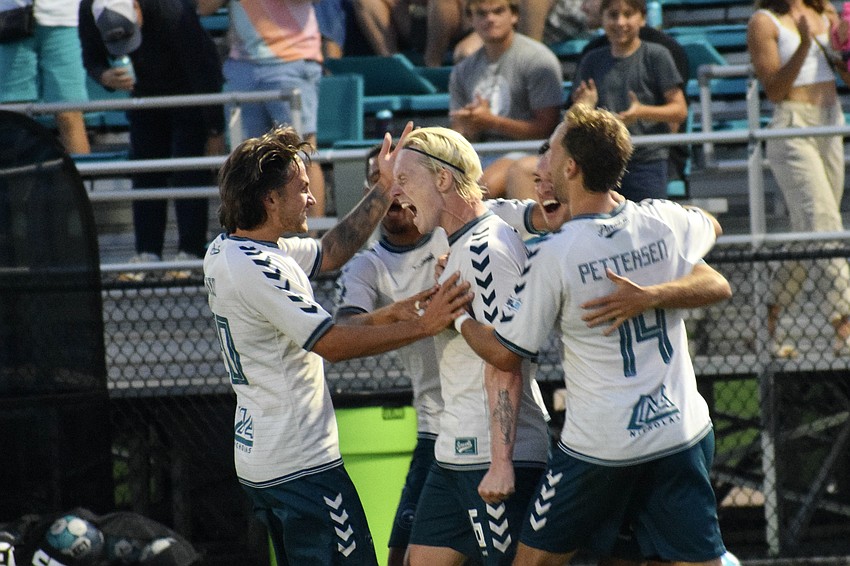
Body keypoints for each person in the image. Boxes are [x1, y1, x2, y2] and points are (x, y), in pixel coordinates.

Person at [456, 104, 730, 566]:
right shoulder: (660, 220)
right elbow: (712, 232)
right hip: (678, 430)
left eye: (552, 151)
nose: (542, 163)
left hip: (600, 449)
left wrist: (458, 316)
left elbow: (504, 355)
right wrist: (655, 291)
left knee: (534, 563)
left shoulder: (556, 255)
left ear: (570, 167)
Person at [204, 125, 472, 565]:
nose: (311, 199)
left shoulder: (231, 249)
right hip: (300, 465)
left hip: (266, 459)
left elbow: (329, 252)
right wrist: (427, 326)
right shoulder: (258, 267)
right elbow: (331, 343)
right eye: (302, 189)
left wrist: (385, 189)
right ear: (270, 200)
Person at [387, 126, 550, 565]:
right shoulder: (460, 243)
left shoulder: (487, 248)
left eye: (404, 181)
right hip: (453, 451)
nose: (395, 194)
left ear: (441, 180)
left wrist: (501, 462)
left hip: (491, 457)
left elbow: (504, 358)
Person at [78, 0, 226, 278]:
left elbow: (205, 69)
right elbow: (91, 57)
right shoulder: (89, 9)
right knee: (145, 170)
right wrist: (104, 76)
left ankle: (190, 250)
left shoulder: (169, 9)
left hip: (189, 92)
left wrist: (215, 129)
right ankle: (147, 251)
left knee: (187, 171)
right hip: (144, 97)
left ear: (136, 8)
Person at [747, 0, 850, 357]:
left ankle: (766, 325)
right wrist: (805, 43)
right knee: (825, 223)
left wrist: (844, 48)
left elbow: (846, 77)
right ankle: (846, 324)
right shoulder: (765, 21)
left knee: (808, 233)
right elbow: (774, 90)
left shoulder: (830, 14)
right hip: (791, 127)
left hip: (830, 121)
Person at [196, 0, 327, 218]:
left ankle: (312, 243)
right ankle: (251, 237)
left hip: (292, 59)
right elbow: (204, 7)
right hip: (242, 66)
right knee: (246, 161)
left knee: (302, 152)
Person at [572, 0, 687, 202]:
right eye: (613, 15)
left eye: (628, 14)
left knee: (648, 225)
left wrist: (641, 112)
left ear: (642, 18)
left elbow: (679, 110)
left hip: (646, 159)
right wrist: (584, 106)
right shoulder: (591, 60)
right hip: (601, 160)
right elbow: (575, 114)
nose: (620, 22)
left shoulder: (657, 55)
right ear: (603, 19)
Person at [449, 0, 563, 199]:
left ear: (514, 15)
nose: (490, 19)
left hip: (530, 153)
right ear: (471, 20)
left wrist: (492, 122)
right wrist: (470, 127)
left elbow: (547, 128)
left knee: (480, 189)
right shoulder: (462, 70)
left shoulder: (538, 60)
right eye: (482, 13)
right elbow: (460, 134)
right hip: (479, 155)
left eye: (498, 11)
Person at [0, 0, 91, 154]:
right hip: (9, 17)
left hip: (64, 20)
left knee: (69, 114)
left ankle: (81, 174)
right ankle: (13, 177)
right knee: (13, 116)